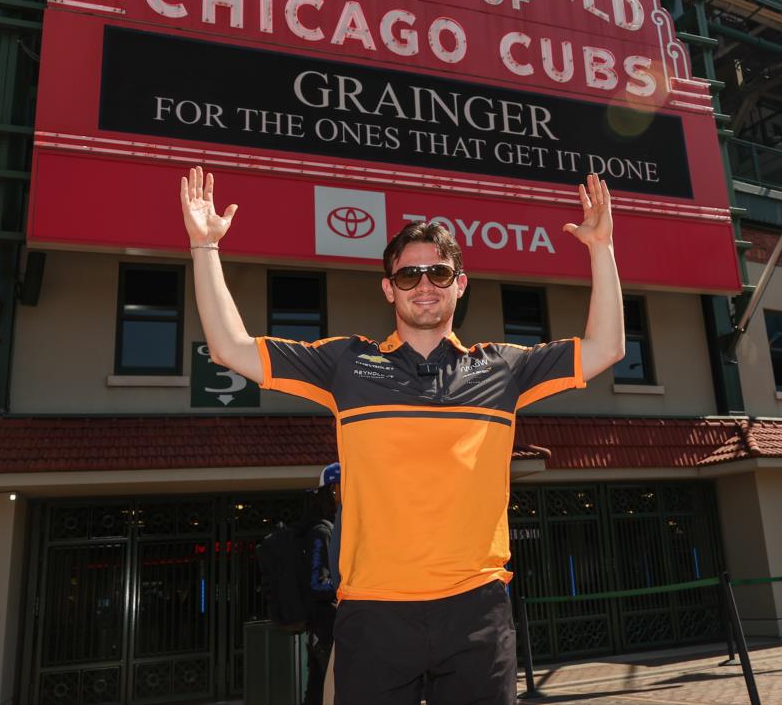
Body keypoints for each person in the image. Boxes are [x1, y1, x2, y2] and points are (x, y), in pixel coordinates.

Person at [181, 167, 624, 705]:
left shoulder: (502, 369)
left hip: (477, 610)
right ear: (389, 288)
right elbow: (231, 348)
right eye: (409, 276)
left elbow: (605, 348)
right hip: (374, 612)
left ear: (460, 284)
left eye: (439, 274)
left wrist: (601, 247)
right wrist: (205, 247)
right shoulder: (346, 363)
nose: (425, 287)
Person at [304, 462, 339, 705]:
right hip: (324, 629)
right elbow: (316, 584)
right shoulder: (322, 531)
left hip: (323, 627)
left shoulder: (330, 527)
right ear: (334, 490)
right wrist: (347, 586)